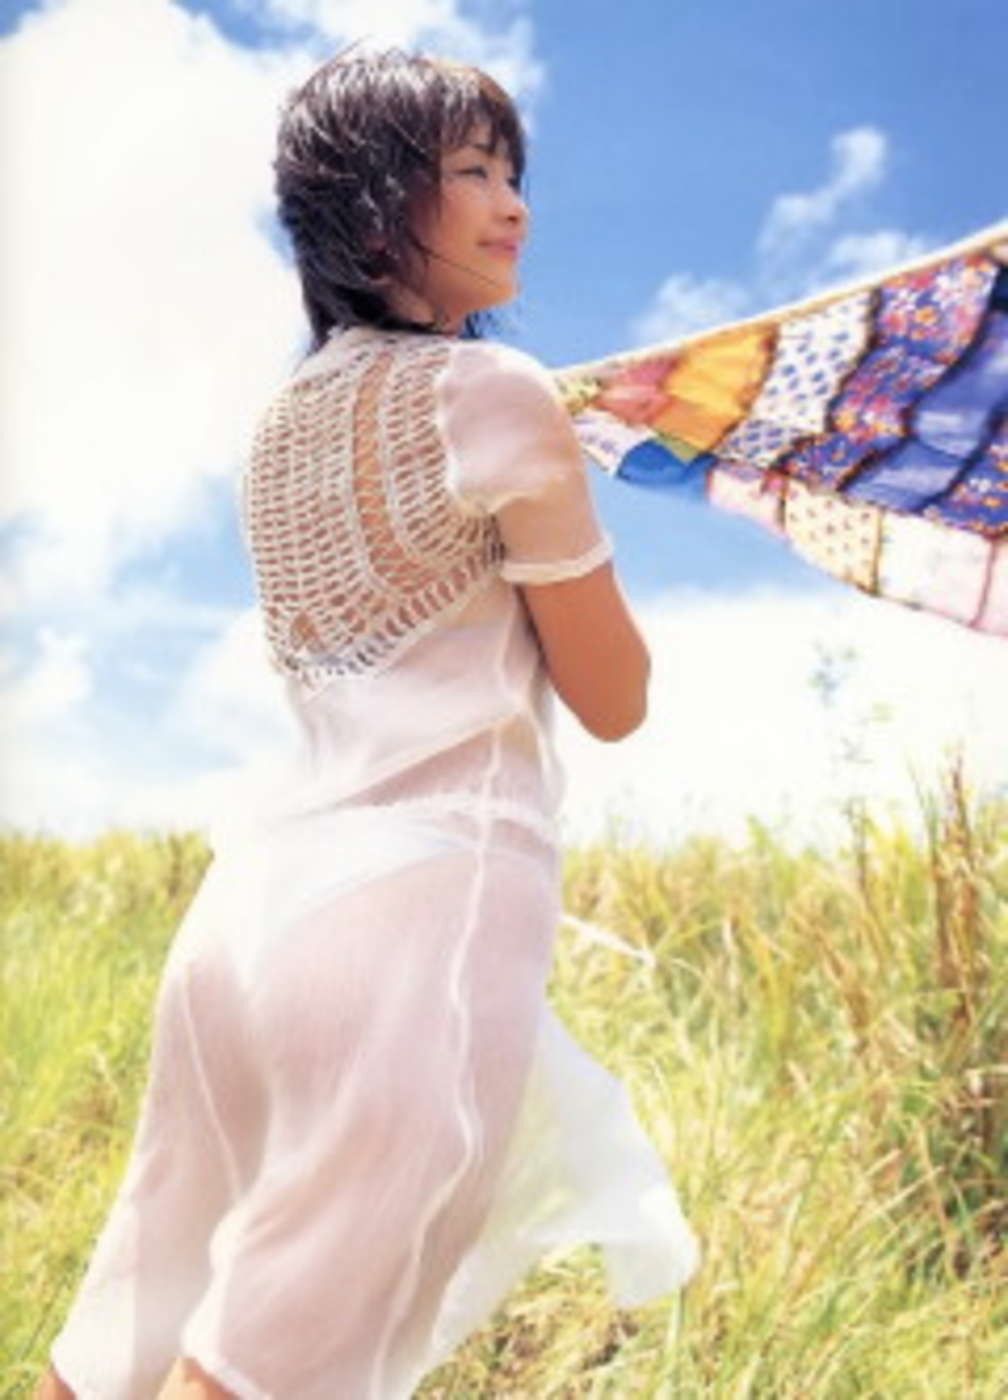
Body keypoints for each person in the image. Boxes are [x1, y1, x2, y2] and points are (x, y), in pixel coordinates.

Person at [36, 47, 700, 1400]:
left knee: (128, 1325)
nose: (513, 203)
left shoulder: (280, 426)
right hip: (418, 919)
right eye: (472, 171)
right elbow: (614, 699)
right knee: (267, 1366)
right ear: (374, 197)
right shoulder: (499, 396)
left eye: (512, 172)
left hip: (248, 918)